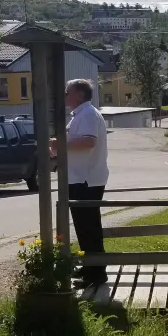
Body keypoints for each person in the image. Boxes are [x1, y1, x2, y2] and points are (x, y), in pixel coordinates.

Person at [50, 79, 109, 289]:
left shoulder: (88, 114)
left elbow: (88, 141)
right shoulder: (82, 115)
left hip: (86, 179)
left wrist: (60, 143)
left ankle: (97, 273)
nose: (65, 96)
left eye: (68, 92)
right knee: (84, 227)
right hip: (80, 178)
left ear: (80, 95)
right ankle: (90, 267)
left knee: (89, 227)